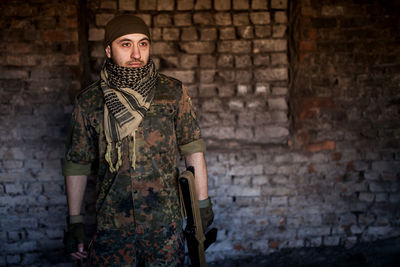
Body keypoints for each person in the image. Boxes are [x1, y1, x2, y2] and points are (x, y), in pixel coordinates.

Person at [62, 14, 214, 266]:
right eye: (126, 44)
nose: (136, 53)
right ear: (109, 50)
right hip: (112, 228)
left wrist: (203, 203)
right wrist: (74, 221)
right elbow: (76, 163)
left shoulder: (171, 92)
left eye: (143, 43)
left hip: (164, 226)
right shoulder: (89, 101)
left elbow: (193, 149)